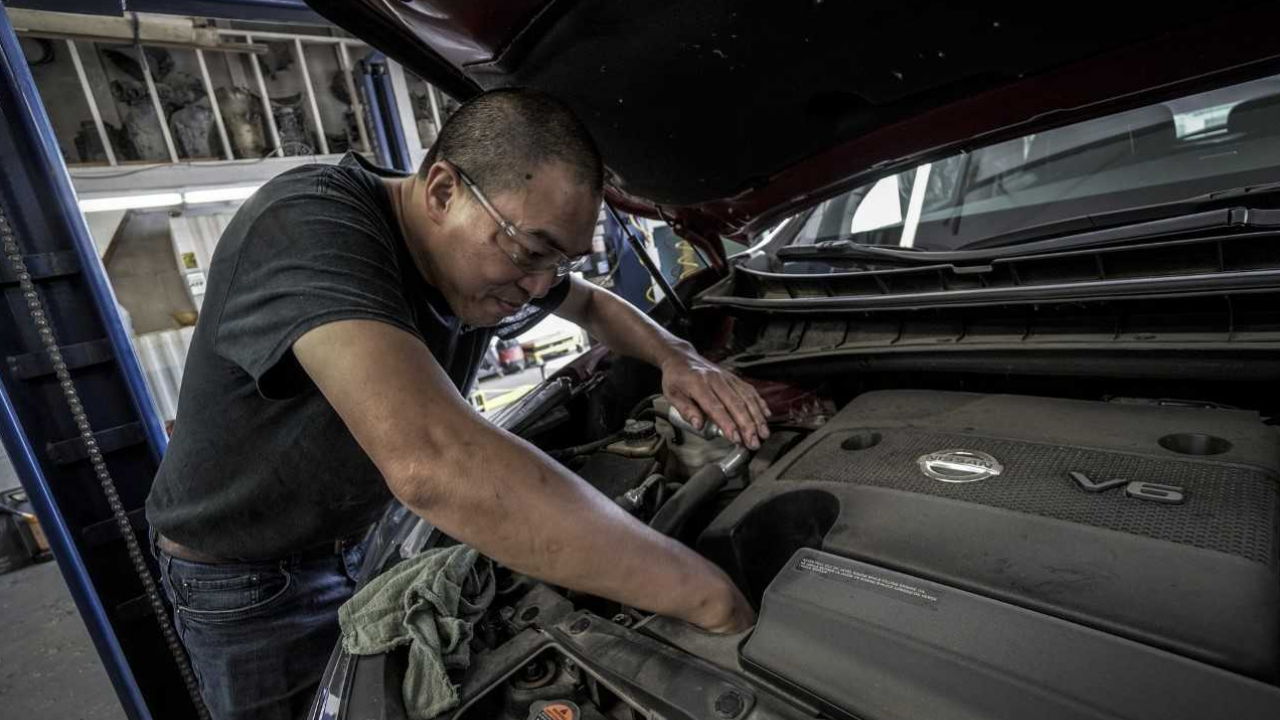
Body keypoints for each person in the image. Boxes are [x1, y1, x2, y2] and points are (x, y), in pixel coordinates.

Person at [145, 88, 767, 720]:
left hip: (363, 537)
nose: (539, 285)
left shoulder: (478, 257)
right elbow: (433, 463)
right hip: (249, 582)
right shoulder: (308, 227)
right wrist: (703, 595)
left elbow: (590, 303)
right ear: (443, 191)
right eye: (530, 252)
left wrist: (675, 355)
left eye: (559, 261)